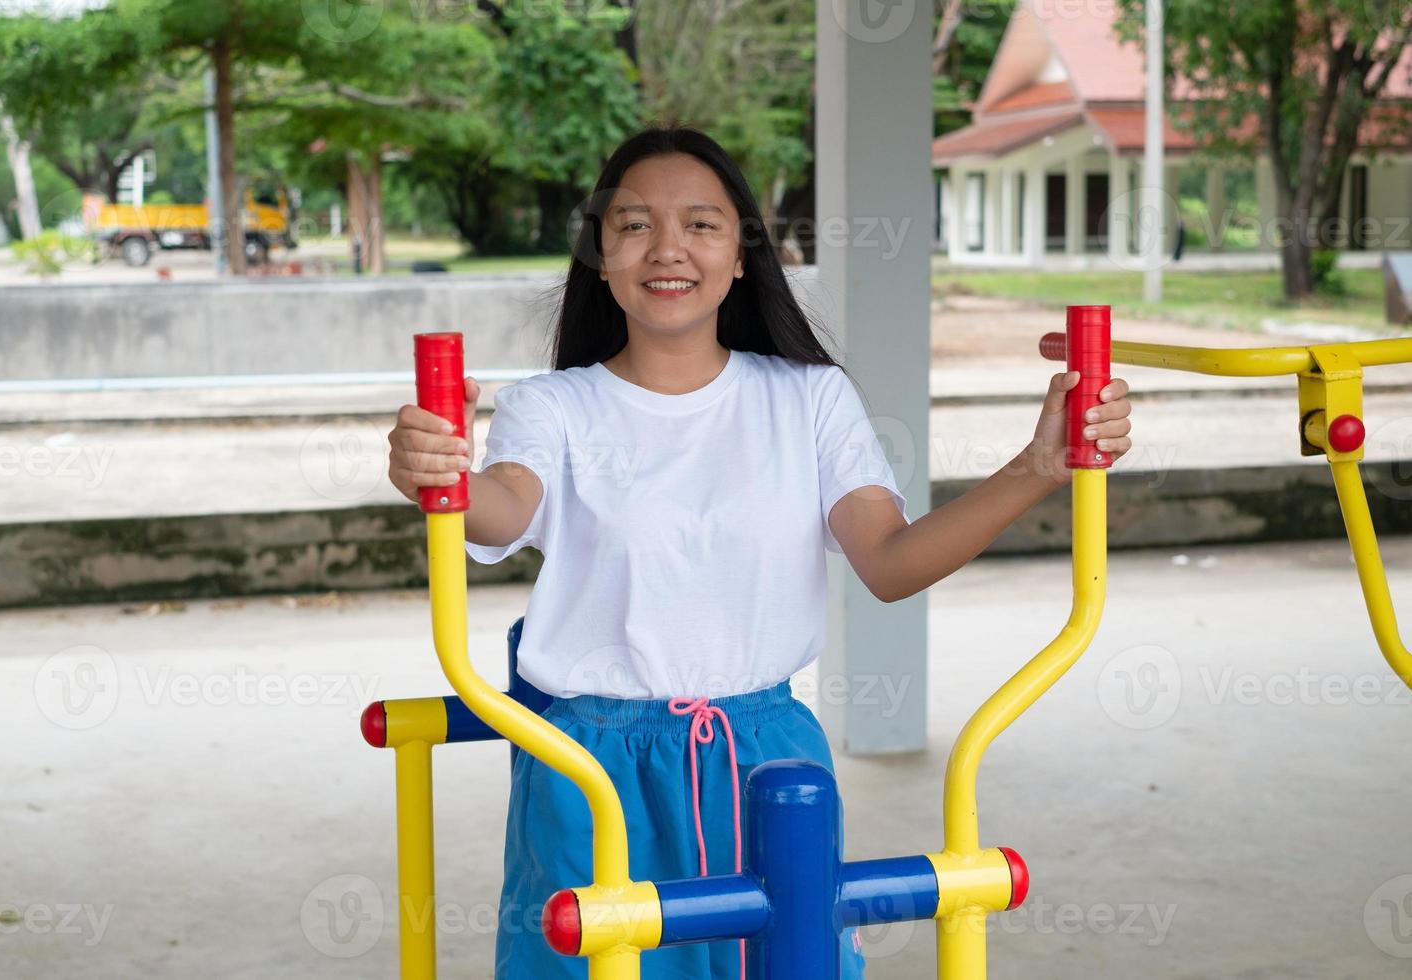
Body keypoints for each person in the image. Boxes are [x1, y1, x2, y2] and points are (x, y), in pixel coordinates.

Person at [386, 125, 1133, 979]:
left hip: (767, 760)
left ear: (742, 255)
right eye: (634, 224)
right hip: (586, 766)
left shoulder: (808, 398)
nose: (668, 248)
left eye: (701, 224)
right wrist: (438, 473)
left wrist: (1039, 467)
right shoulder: (553, 407)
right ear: (601, 256)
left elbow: (889, 564)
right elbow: (499, 507)